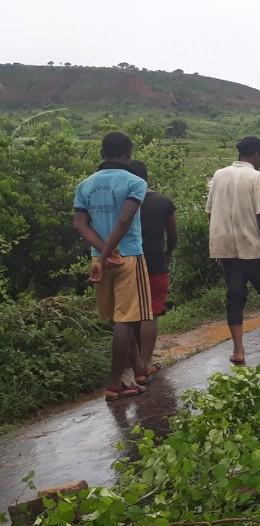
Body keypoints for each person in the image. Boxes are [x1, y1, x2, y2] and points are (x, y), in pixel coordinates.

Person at [73, 131, 154, 401]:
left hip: (100, 260)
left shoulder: (85, 185)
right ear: (128, 154)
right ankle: (114, 384)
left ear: (101, 153)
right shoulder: (135, 182)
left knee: (119, 318)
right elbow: (124, 221)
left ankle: (132, 376)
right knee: (126, 320)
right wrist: (112, 251)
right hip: (129, 256)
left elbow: (80, 224)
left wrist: (102, 254)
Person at [206, 136, 260, 365]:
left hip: (227, 250)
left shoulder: (219, 175)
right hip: (253, 248)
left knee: (234, 297)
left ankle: (238, 351)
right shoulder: (258, 177)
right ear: (257, 155)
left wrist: (217, 246)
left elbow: (211, 212)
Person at [127, 160, 176, 369]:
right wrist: (168, 254)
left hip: (127, 261)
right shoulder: (163, 202)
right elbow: (173, 236)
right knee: (151, 312)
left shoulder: (122, 203)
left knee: (130, 314)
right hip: (155, 261)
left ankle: (135, 362)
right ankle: (146, 363)